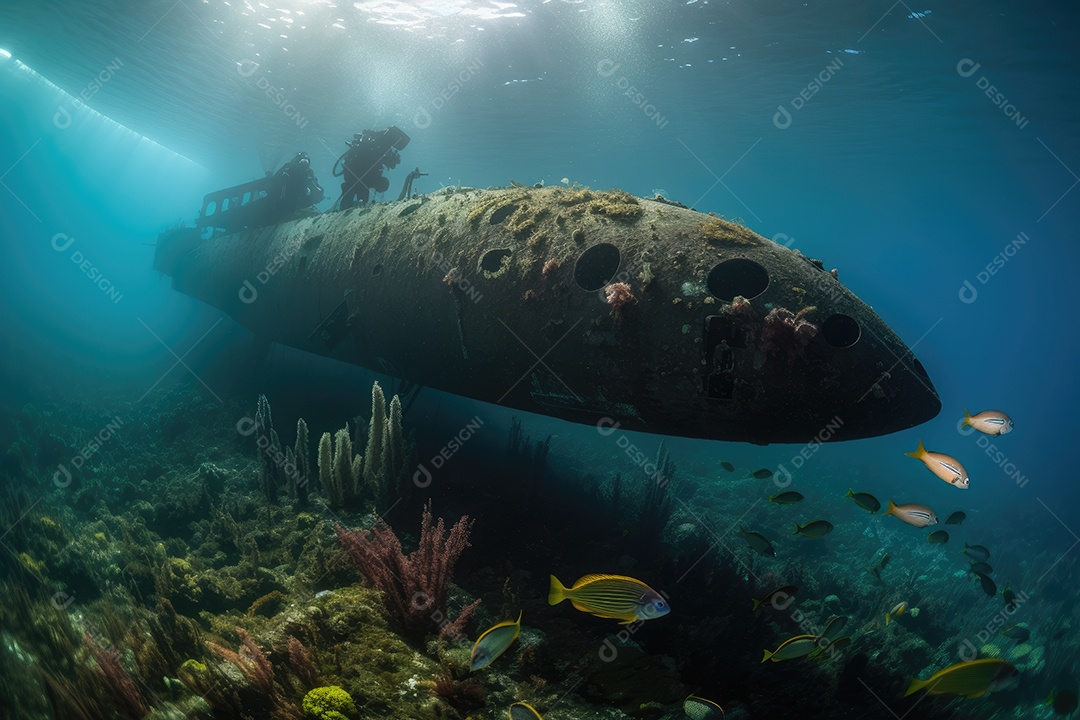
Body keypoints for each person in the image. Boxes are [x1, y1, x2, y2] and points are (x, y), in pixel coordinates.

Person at [335, 126, 411, 209]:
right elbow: (388, 162)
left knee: (354, 195)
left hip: (356, 175)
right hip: (360, 176)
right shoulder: (380, 145)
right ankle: (350, 211)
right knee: (358, 195)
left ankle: (347, 210)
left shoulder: (379, 144)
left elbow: (386, 161)